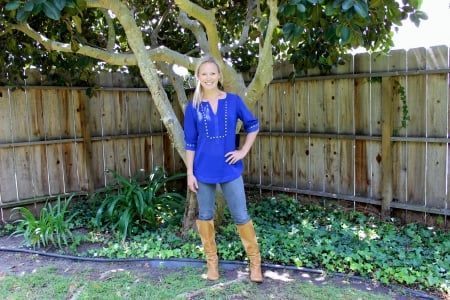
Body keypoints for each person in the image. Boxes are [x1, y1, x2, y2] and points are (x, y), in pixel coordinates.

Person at [183, 55, 263, 283]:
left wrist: (242, 151)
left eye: (212, 73)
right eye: (203, 74)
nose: (208, 78)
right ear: (198, 77)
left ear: (219, 76)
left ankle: (255, 264)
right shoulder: (193, 107)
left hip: (230, 169)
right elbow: (190, 143)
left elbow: (253, 126)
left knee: (241, 216)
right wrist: (190, 173)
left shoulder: (234, 101)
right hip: (203, 171)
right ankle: (212, 265)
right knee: (205, 217)